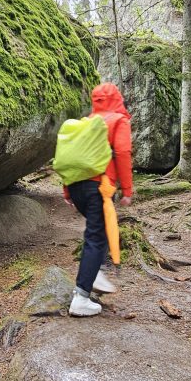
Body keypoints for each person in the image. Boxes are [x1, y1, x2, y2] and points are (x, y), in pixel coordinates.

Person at [63, 83, 134, 317]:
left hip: (76, 187)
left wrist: (67, 192)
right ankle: (81, 297)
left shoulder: (86, 123)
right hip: (99, 188)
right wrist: (127, 190)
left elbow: (70, 157)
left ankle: (97, 273)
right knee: (95, 237)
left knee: (98, 234)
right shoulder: (117, 121)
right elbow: (122, 153)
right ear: (117, 98)